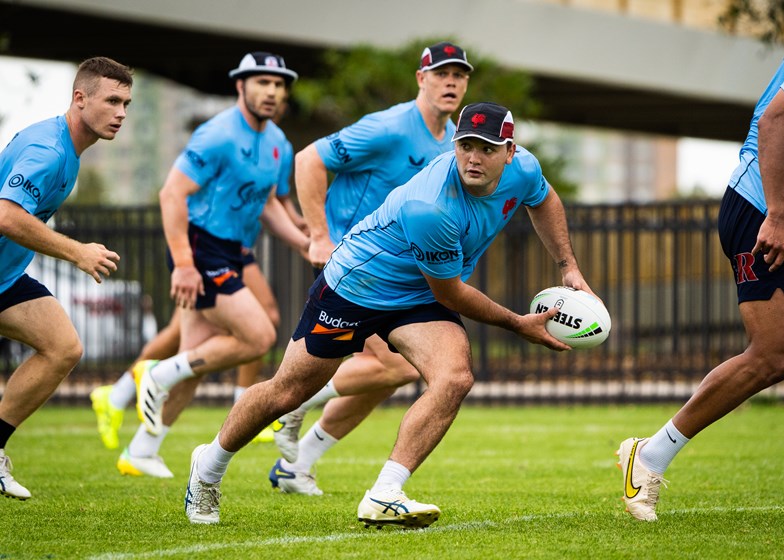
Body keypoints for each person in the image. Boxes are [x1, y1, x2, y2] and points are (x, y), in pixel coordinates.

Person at [183, 101, 595, 527]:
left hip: (418, 293)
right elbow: (451, 293)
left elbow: (543, 200)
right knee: (287, 393)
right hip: (356, 286)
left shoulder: (524, 169)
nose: (473, 158)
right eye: (465, 145)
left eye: (487, 148)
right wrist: (516, 323)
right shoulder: (431, 206)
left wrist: (568, 266)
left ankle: (385, 493)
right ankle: (208, 466)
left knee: (454, 377)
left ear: (510, 152)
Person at [618, 24, 784, 522]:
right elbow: (776, 121)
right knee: (775, 354)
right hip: (766, 211)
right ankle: (649, 455)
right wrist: (778, 215)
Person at [269, 41, 472, 496]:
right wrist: (320, 235)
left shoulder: (453, 137)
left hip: (395, 275)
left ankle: (297, 463)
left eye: (460, 75)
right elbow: (308, 160)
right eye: (442, 74)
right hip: (353, 266)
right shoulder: (391, 127)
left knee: (381, 382)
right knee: (396, 371)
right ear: (422, 79)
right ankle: (292, 406)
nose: (452, 82)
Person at [122, 52, 309, 478]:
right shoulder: (218, 134)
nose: (272, 92)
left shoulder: (278, 142)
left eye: (279, 85)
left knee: (197, 357)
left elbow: (271, 205)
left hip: (232, 251)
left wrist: (304, 240)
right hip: (200, 247)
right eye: (262, 82)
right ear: (240, 86)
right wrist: (184, 264)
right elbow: (171, 194)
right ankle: (156, 372)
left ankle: (142, 448)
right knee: (259, 335)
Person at [0, 57, 133, 499]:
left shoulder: (67, 149)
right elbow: (7, 216)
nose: (121, 113)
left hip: (5, 278)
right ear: (80, 98)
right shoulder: (50, 150)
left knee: (63, 347)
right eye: (112, 100)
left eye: (127, 103)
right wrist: (77, 252)